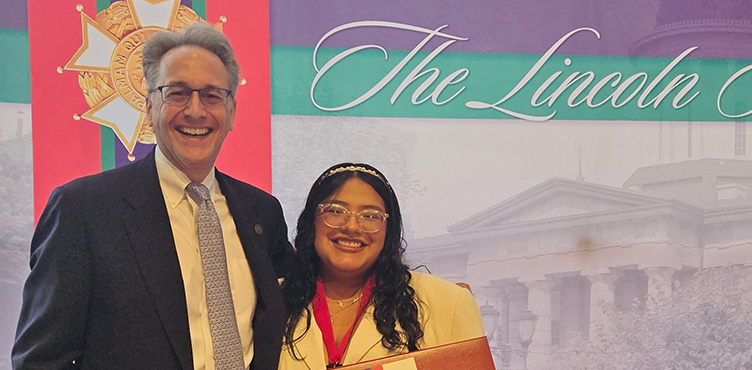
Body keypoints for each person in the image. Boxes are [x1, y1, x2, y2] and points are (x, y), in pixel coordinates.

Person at [12, 23, 293, 370]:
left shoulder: (261, 213)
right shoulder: (82, 210)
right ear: (149, 107)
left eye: (211, 95)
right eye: (176, 93)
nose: (194, 110)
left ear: (231, 111)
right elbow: (41, 360)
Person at [279, 163, 484, 369]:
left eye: (370, 216)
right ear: (311, 221)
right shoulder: (272, 299)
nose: (351, 226)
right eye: (335, 211)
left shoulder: (448, 303)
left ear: (389, 229)